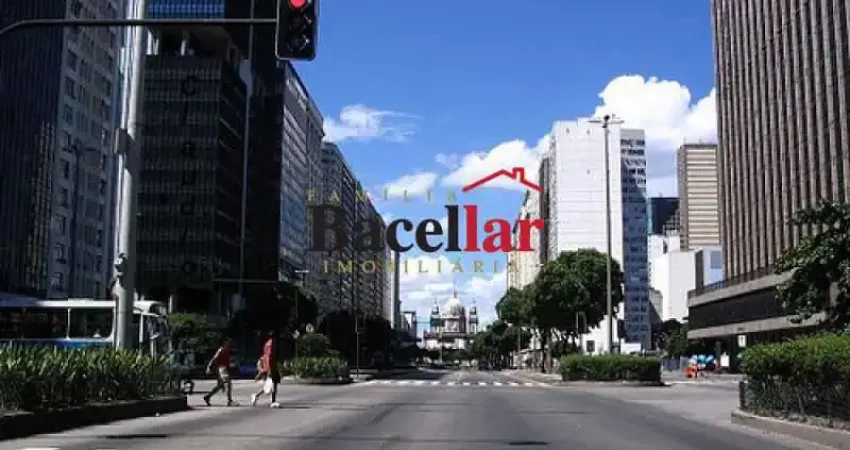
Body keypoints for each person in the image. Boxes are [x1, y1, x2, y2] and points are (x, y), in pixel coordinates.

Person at [251, 331, 281, 408]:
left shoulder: (267, 344)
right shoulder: (271, 343)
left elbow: (266, 356)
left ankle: (256, 395)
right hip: (271, 366)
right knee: (273, 384)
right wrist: (270, 368)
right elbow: (269, 357)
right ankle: (273, 401)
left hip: (271, 366)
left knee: (272, 384)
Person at [203, 337, 235, 406]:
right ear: (224, 342)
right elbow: (214, 359)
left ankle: (207, 397)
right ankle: (229, 401)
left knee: (220, 386)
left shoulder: (227, 350)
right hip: (221, 369)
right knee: (228, 383)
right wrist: (209, 367)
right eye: (228, 342)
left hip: (224, 369)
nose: (229, 343)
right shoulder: (221, 350)